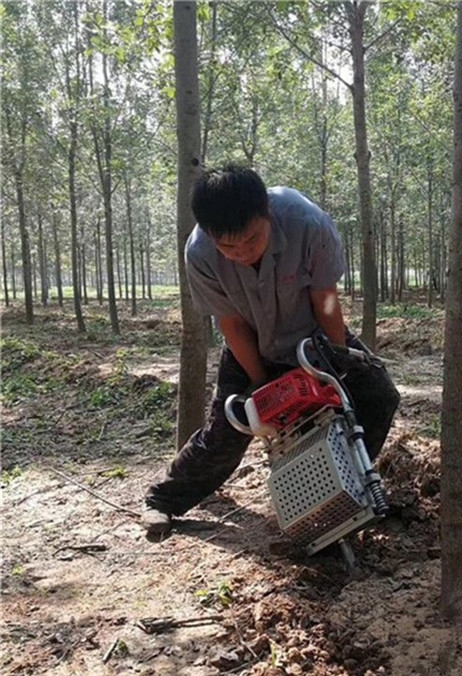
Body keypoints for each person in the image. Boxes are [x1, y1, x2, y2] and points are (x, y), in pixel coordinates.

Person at [140, 164, 400, 536]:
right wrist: (263, 387)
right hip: (251, 345)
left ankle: (339, 489)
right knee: (228, 429)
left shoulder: (306, 222)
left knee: (376, 396)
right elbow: (230, 323)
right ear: (211, 236)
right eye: (229, 247)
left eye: (252, 240)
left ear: (267, 212)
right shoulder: (199, 254)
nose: (243, 252)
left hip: (313, 337)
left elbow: (325, 299)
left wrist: (338, 359)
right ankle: (162, 500)